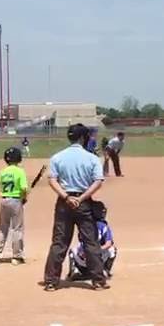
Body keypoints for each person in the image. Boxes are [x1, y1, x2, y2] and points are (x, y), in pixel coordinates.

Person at [43, 123, 107, 291]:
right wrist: (81, 198)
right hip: (83, 202)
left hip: (64, 202)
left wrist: (66, 197)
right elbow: (98, 181)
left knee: (59, 242)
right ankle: (98, 280)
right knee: (90, 242)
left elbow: (52, 180)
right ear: (82, 138)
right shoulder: (91, 158)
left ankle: (51, 281)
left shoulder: (57, 157)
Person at [0, 146, 29, 266]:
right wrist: (24, 197)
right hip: (15, 201)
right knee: (17, 229)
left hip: (4, 200)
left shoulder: (2, 172)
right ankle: (17, 256)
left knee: (2, 228)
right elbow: (23, 188)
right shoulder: (20, 171)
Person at [69, 201, 116, 280]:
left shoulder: (84, 225)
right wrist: (97, 250)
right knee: (112, 250)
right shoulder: (104, 226)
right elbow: (109, 243)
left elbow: (81, 242)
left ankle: (75, 271)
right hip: (98, 259)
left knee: (72, 250)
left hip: (84, 259)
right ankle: (104, 271)